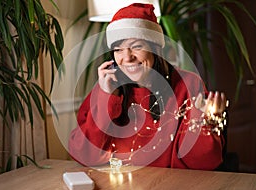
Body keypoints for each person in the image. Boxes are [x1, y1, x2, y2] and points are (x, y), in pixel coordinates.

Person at [69, 3, 227, 170]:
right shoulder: (107, 86)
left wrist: (206, 121)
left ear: (155, 48)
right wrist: (106, 98)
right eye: (118, 49)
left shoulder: (188, 83)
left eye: (137, 46)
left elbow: (203, 164)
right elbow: (84, 155)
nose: (127, 57)